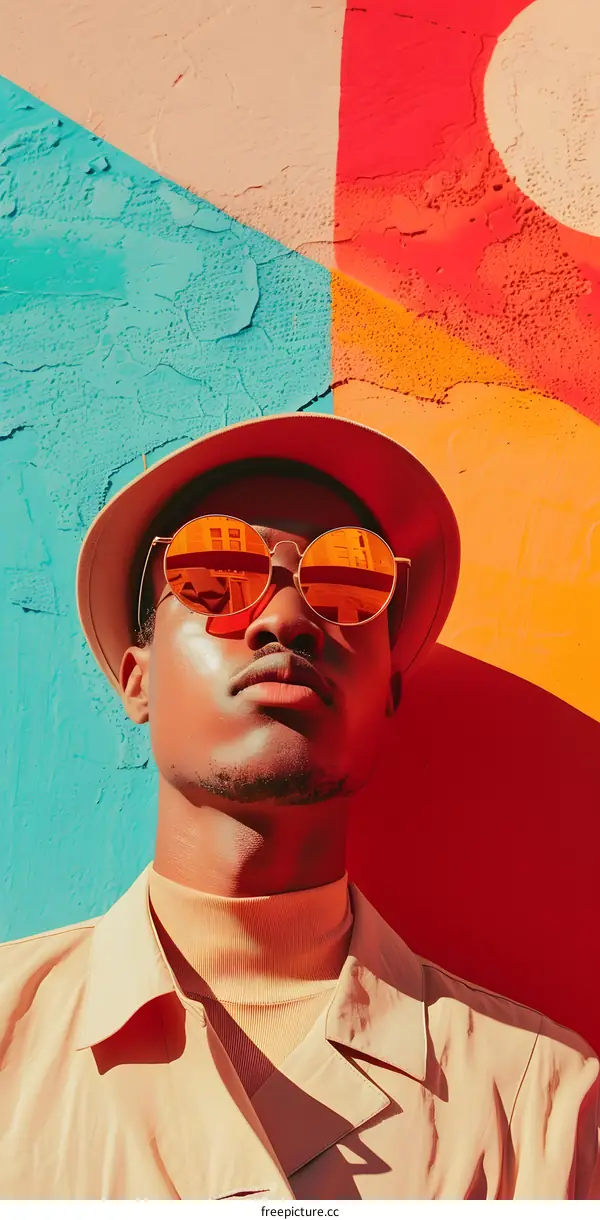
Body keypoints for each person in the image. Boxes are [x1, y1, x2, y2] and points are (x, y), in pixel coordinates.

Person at [0, 412, 597, 1201]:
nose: (284, 619)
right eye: (217, 574)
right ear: (136, 679)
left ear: (386, 691)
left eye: (349, 584)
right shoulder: (12, 1038)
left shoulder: (537, 1101)